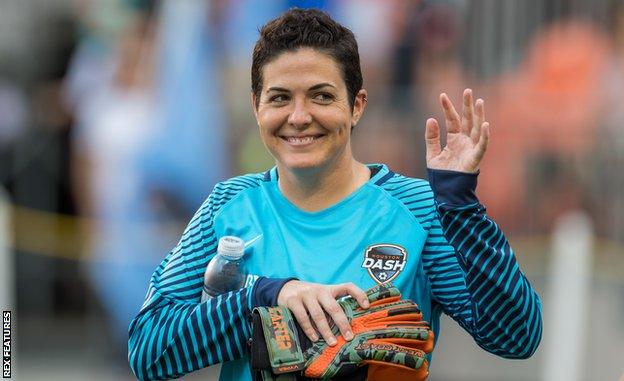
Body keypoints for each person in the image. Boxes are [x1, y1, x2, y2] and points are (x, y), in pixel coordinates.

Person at [128, 8, 542, 381]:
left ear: (357, 105)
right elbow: (148, 350)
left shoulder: (421, 209)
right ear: (257, 106)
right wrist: (264, 297)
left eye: (322, 96)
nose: (300, 116)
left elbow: (516, 337)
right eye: (280, 98)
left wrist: (460, 206)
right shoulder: (227, 205)